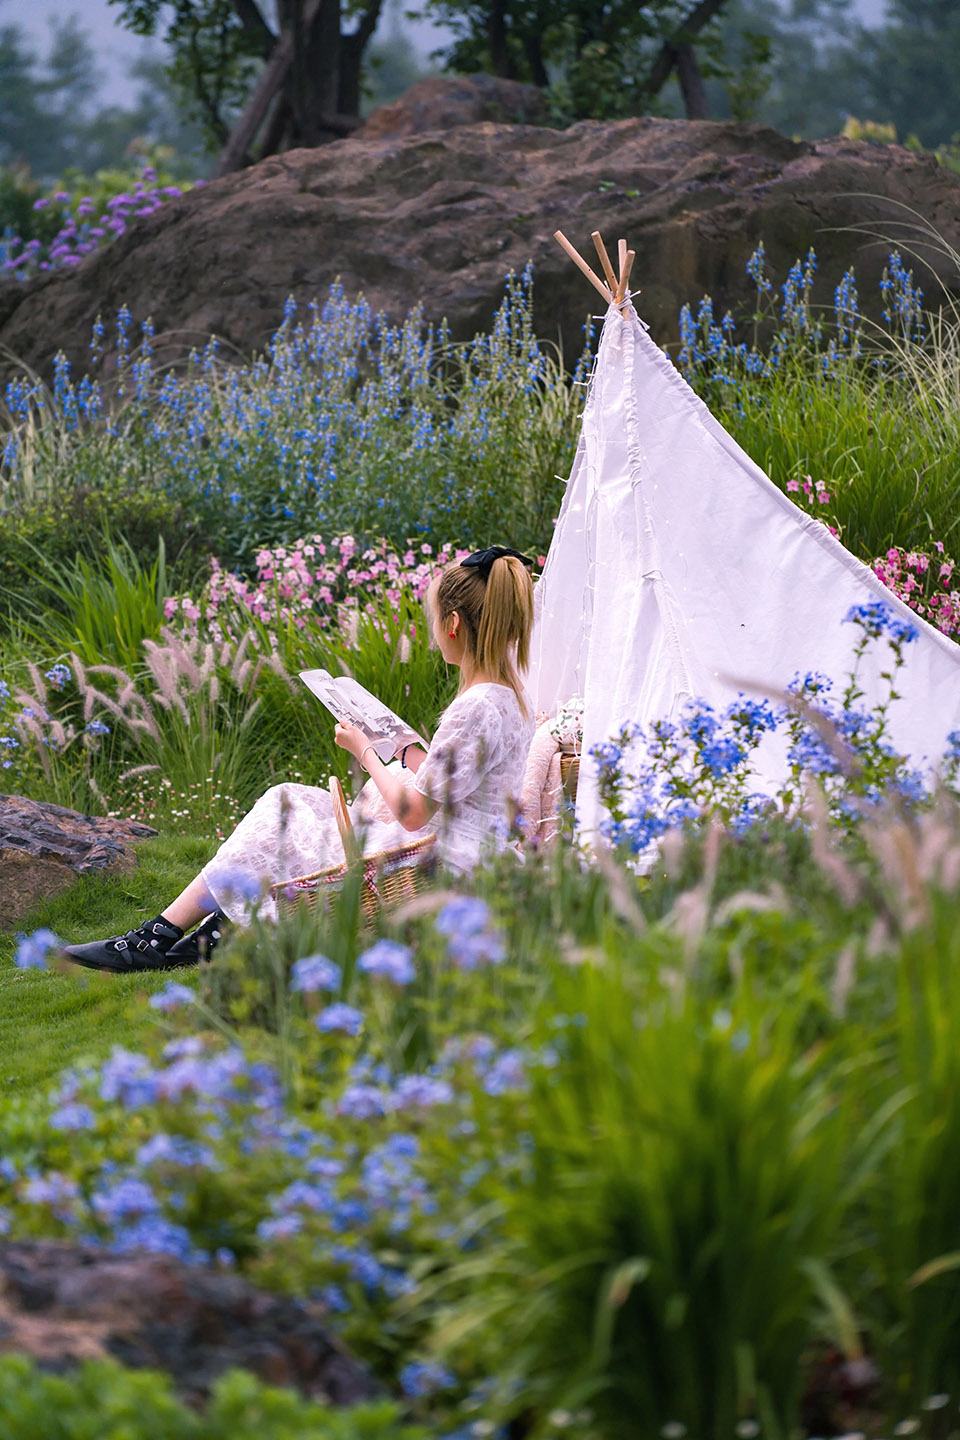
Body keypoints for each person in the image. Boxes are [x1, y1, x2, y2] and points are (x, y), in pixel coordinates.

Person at [62, 546, 536, 974]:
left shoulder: (475, 707)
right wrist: (409, 750)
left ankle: (159, 935)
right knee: (294, 803)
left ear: (453, 624)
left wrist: (364, 749)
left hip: (438, 858)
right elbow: (461, 785)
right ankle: (209, 932)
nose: (433, 633)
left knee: (282, 814)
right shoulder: (507, 699)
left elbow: (414, 814)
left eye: (434, 621)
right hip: (468, 849)